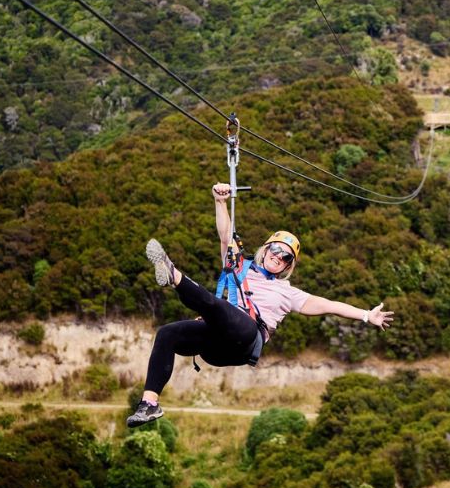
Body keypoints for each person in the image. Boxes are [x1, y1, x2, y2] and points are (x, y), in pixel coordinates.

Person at [127, 182, 394, 427]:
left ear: (288, 266)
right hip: (216, 344)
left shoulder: (287, 292)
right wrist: (220, 202)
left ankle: (173, 275)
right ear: (265, 249)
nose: (279, 258)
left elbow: (328, 305)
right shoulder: (238, 267)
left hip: (246, 337)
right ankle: (150, 404)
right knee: (168, 334)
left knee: (217, 308)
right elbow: (225, 237)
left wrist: (366, 315)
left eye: (286, 258)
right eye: (276, 250)